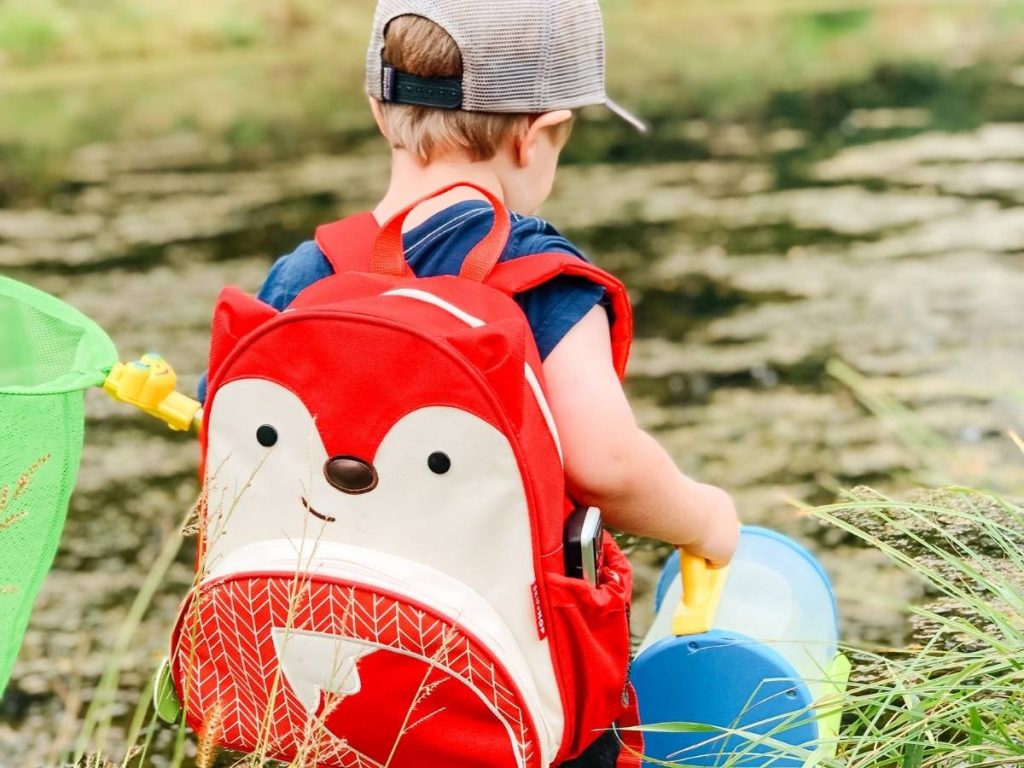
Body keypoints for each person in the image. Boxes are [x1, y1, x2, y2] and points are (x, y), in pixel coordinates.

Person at [203, 2, 739, 765]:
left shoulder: (304, 272)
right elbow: (605, 463)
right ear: (537, 134)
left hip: (330, 689)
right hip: (511, 700)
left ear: (378, 110)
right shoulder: (540, 281)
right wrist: (705, 519)